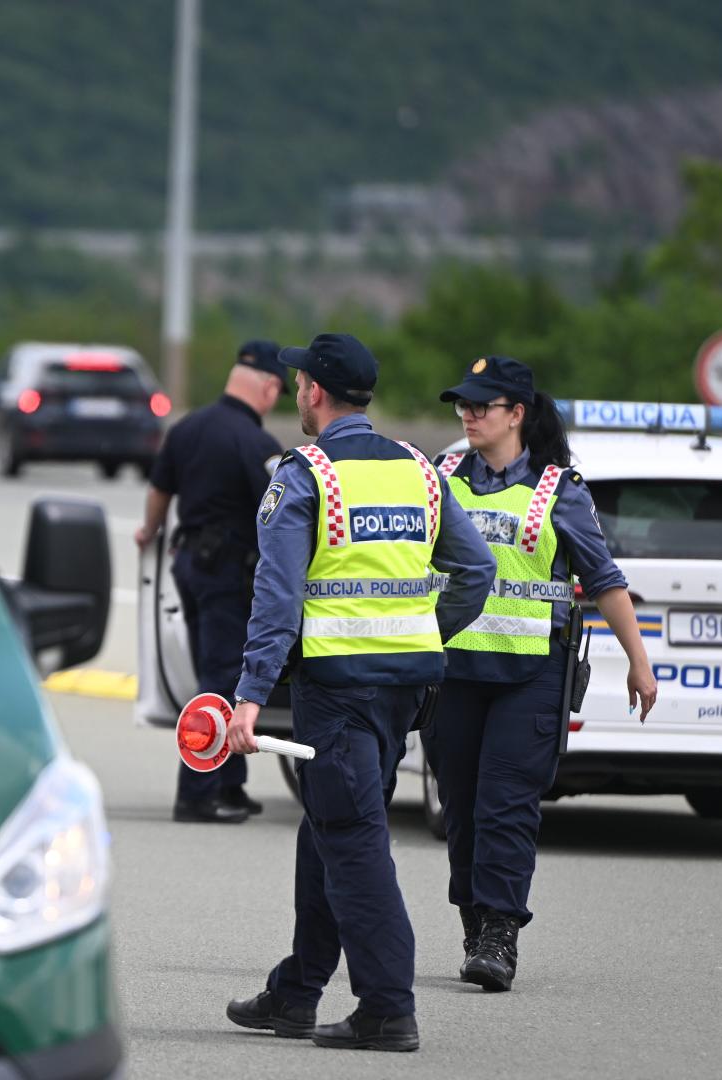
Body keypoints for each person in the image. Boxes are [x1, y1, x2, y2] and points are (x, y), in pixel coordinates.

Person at [221, 333, 494, 1052]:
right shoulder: (419, 470)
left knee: (353, 838)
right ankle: (297, 992)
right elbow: (477, 570)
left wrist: (249, 695)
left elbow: (277, 597)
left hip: (337, 689)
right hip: (404, 688)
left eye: (300, 382)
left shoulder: (306, 474)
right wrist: (423, 633)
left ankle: (386, 1007)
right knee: (333, 825)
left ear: (312, 391)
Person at [427, 356, 657, 992]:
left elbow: (605, 580)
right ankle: (475, 920)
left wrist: (639, 662)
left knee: (506, 803)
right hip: (455, 671)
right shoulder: (440, 477)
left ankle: (500, 934)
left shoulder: (560, 489)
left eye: (482, 406)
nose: (468, 415)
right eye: (462, 405)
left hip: (531, 674)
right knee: (463, 806)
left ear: (517, 414)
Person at [134, 339, 287, 823]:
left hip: (188, 563)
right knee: (223, 678)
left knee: (213, 671)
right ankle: (196, 793)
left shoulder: (187, 427)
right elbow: (284, 510)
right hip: (227, 570)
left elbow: (159, 489)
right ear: (267, 387)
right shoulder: (254, 442)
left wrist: (148, 532)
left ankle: (230, 786)